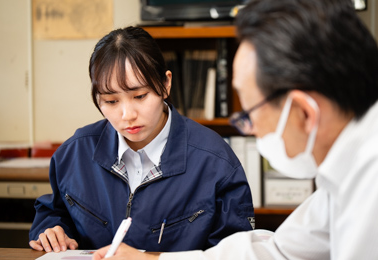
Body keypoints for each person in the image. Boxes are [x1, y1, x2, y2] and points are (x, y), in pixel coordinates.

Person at [92, 0, 378, 259]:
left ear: (304, 112)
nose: (250, 129)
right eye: (111, 100)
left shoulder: (370, 182)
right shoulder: (343, 176)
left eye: (250, 112)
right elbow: (278, 251)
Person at [29, 26, 255, 253]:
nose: (127, 115)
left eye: (140, 96)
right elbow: (54, 210)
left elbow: (236, 252)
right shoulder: (75, 153)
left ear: (166, 84)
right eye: (111, 101)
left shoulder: (215, 161)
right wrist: (52, 229)